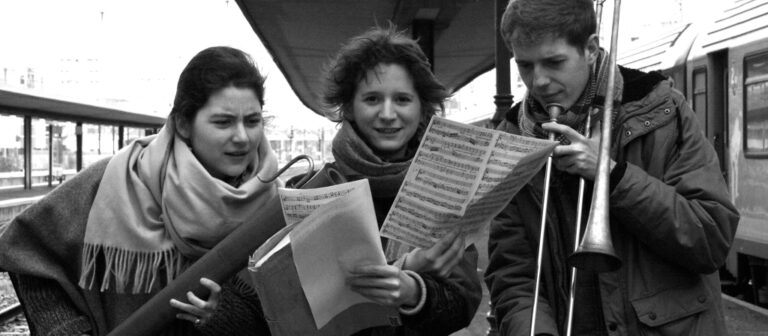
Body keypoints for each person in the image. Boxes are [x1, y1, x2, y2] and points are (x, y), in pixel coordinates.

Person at [484, 0, 740, 335]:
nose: (540, 81)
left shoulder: (662, 110)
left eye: (554, 62)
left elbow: (711, 237)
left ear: (590, 49)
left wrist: (612, 175)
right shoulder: (513, 139)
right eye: (526, 66)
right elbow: (513, 274)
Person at [0, 46, 277, 335]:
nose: (243, 137)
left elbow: (281, 314)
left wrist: (220, 317)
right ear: (183, 123)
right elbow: (27, 250)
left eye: (252, 121)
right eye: (223, 122)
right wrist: (65, 330)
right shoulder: (112, 181)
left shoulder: (273, 205)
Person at [287, 26, 482, 335]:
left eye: (403, 99)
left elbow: (464, 301)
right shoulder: (314, 191)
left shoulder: (442, 189)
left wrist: (413, 292)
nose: (388, 114)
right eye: (373, 99)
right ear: (349, 106)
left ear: (422, 109)